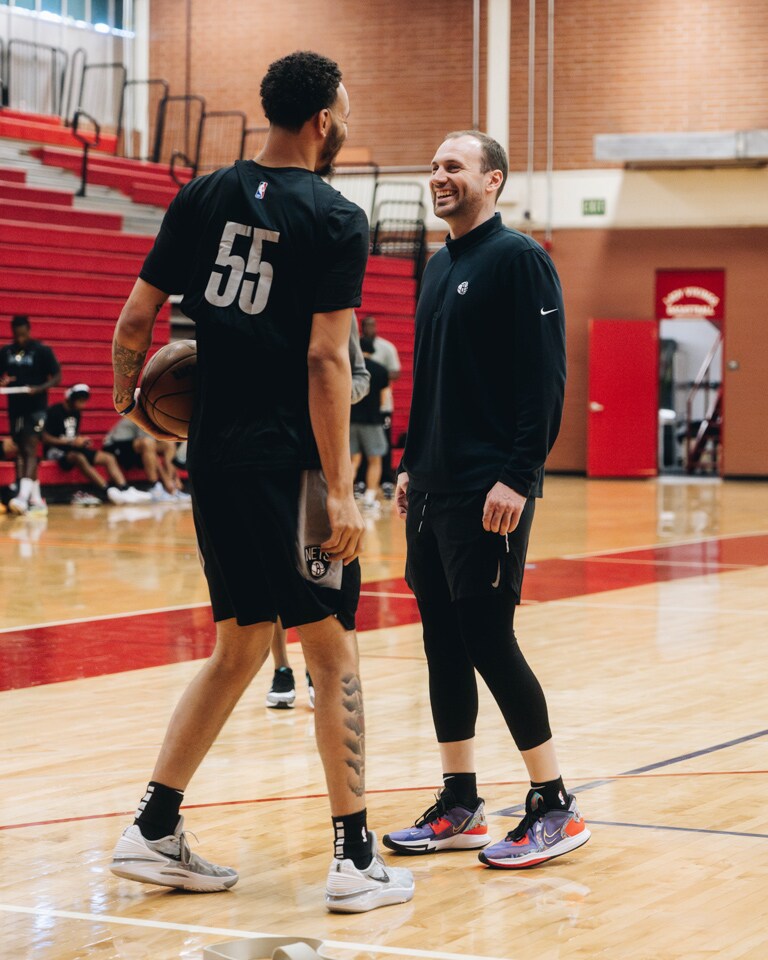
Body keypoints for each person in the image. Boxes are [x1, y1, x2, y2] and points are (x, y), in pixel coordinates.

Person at [108, 51, 414, 913]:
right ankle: (355, 857)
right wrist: (342, 490)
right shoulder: (336, 217)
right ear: (323, 118)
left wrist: (138, 408)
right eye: (344, 104)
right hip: (290, 468)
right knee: (333, 648)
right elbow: (324, 357)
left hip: (216, 458)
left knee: (242, 641)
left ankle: (154, 827)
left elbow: (136, 321)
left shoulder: (201, 195)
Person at [383, 131, 590, 869]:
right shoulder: (439, 266)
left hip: (490, 487)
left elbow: (545, 381)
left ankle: (555, 803)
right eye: (433, 165)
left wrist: (519, 473)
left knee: (487, 638)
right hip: (436, 485)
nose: (438, 176)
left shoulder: (521, 260)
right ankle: (461, 800)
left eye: (454, 167)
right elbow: (434, 380)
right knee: (442, 639)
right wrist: (410, 461)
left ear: (492, 181)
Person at [265, 316, 370, 710]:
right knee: (269, 578)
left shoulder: (335, 301)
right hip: (260, 457)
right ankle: (281, 668)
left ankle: (317, 665)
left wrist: (327, 391)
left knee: (321, 579)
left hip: (316, 459)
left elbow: (358, 377)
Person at [42, 384, 152, 505]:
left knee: (108, 458)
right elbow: (44, 438)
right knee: (79, 457)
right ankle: (108, 490)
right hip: (55, 450)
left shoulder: (76, 412)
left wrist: (81, 440)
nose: (83, 405)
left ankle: (124, 489)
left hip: (72, 447)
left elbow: (73, 435)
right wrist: (70, 441)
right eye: (80, 401)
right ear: (71, 399)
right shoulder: (54, 411)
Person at [0, 315, 61, 515]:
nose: (20, 339)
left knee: (30, 447)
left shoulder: (42, 351)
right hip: (15, 407)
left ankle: (22, 497)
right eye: (16, 335)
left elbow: (57, 377)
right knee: (21, 450)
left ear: (29, 330)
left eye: (23, 334)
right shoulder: (6, 352)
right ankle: (36, 498)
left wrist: (39, 388)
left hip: (36, 407)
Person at [102, 416, 190, 502]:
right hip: (114, 445)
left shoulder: (161, 418)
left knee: (168, 444)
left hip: (133, 444)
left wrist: (175, 478)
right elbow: (149, 448)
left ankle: (172, 488)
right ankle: (154, 486)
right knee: (147, 443)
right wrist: (165, 478)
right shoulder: (146, 416)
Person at [360, 314, 400, 496]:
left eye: (373, 325)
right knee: (357, 450)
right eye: (367, 325)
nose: (370, 328)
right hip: (360, 405)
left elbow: (396, 373)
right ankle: (360, 483)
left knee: (382, 446)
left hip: (381, 408)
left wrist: (377, 376)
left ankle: (385, 480)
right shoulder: (356, 346)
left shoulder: (386, 347)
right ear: (362, 327)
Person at [350, 335, 389, 514]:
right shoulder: (380, 370)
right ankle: (369, 498)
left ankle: (348, 497)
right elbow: (383, 400)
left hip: (350, 421)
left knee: (352, 460)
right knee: (375, 460)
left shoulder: (351, 369)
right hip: (372, 421)